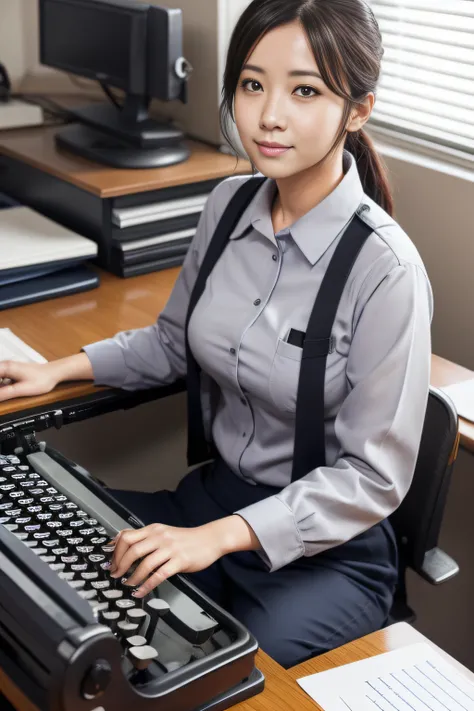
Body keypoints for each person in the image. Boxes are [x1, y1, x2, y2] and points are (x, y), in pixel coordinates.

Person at [0, 0, 432, 668]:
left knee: (214, 675)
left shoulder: (387, 270)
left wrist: (222, 536)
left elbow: (372, 478)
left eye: (305, 90)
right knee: (50, 578)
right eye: (253, 84)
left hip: (326, 558)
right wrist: (60, 368)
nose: (269, 115)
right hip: (211, 501)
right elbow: (174, 342)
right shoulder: (228, 206)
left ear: (358, 110)